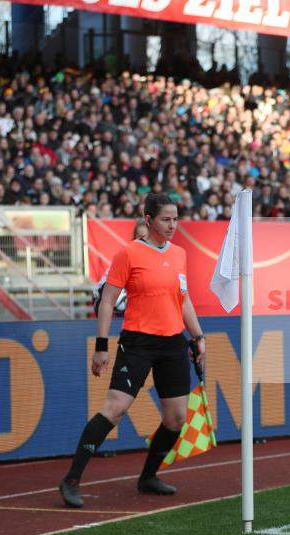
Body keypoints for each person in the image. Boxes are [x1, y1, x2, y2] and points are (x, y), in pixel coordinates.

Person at [59, 193, 206, 508]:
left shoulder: (180, 254)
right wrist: (102, 346)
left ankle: (148, 477)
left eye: (175, 219)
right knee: (115, 409)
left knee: (177, 419)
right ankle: (72, 478)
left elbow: (184, 300)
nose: (172, 225)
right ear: (149, 219)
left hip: (172, 344)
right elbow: (108, 301)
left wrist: (197, 336)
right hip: (137, 343)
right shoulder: (129, 254)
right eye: (166, 219)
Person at [92, 219, 148, 317]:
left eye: (147, 237)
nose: (143, 241)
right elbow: (103, 294)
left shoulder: (159, 261)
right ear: (134, 238)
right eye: (140, 237)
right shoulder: (125, 257)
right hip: (119, 312)